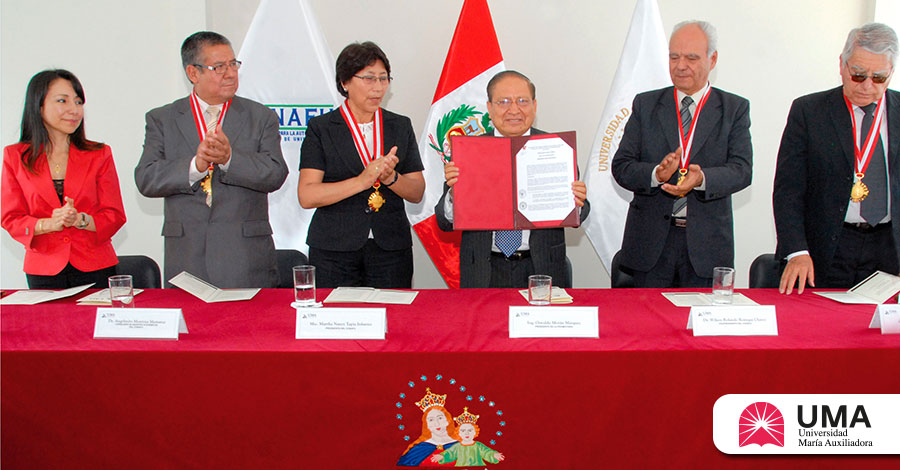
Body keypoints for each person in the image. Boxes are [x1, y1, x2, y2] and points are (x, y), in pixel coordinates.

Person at [135, 31, 288, 288]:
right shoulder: (162, 119)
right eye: (219, 67)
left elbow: (275, 173)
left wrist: (230, 159)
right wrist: (195, 166)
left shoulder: (261, 117)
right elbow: (146, 178)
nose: (230, 73)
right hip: (186, 258)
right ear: (193, 73)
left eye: (233, 64)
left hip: (246, 258)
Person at [611, 20, 752, 288]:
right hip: (650, 247)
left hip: (707, 247)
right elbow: (622, 167)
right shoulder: (646, 104)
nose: (681, 65)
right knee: (648, 316)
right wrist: (656, 174)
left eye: (691, 58)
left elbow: (742, 170)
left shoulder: (734, 108)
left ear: (712, 59)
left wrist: (702, 179)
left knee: (699, 316)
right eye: (674, 57)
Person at [774, 23, 899, 294]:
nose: (867, 86)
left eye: (879, 78)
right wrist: (797, 251)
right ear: (842, 64)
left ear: (891, 72)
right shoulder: (809, 111)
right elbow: (788, 190)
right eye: (858, 75)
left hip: (889, 249)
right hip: (827, 247)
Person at [435, 71, 590, 288]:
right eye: (504, 102)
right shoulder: (469, 151)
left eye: (522, 101)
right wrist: (455, 194)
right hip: (483, 269)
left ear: (535, 105)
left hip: (542, 267)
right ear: (489, 108)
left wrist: (576, 202)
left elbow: (581, 213)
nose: (514, 110)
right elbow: (444, 222)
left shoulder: (556, 149)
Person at [298, 41, 424, 288]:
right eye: (368, 78)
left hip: (390, 249)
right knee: (337, 312)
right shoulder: (321, 128)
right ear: (345, 82)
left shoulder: (400, 125)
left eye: (383, 79)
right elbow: (307, 195)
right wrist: (362, 181)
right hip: (334, 249)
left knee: (393, 311)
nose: (378, 87)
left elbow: (417, 192)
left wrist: (391, 178)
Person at [2, 69, 126, 289]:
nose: (74, 110)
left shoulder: (99, 153)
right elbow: (10, 218)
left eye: (78, 102)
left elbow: (114, 215)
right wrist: (49, 224)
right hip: (43, 268)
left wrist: (80, 220)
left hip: (95, 265)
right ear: (39, 106)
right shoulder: (15, 156)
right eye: (62, 100)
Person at [397, 388, 460, 466]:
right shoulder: (419, 449)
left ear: (448, 420)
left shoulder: (461, 446)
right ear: (427, 425)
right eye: (431, 420)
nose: (437, 423)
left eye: (440, 418)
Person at [431, 407, 505, 466]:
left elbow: (486, 452)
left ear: (475, 432)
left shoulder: (478, 445)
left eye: (470, 430)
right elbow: (450, 453)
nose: (466, 433)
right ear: (458, 433)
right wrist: (442, 456)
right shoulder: (457, 446)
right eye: (463, 431)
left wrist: (493, 455)